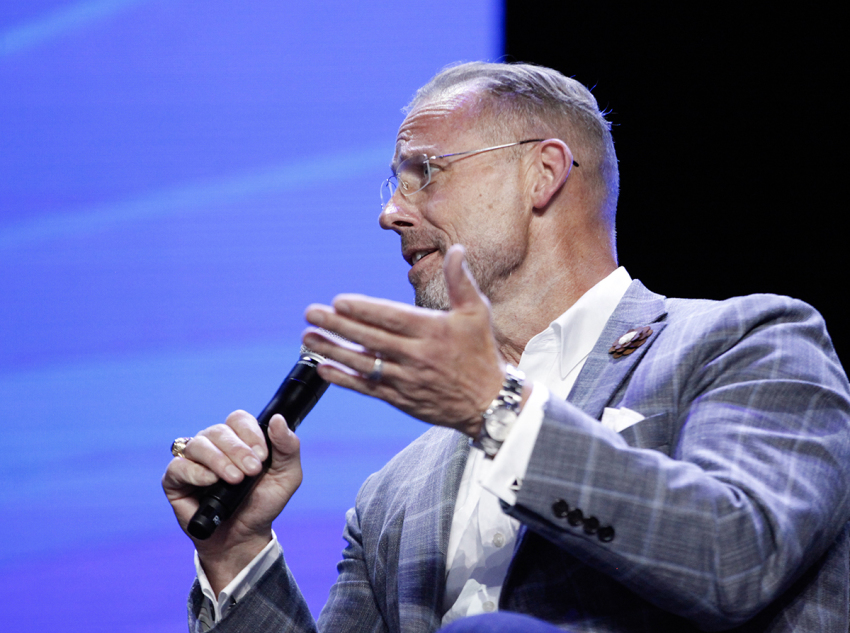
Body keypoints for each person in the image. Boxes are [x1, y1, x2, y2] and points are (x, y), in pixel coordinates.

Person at [162, 62, 850, 632]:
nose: (390, 212)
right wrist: (237, 551)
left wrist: (496, 409)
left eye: (424, 171)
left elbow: (737, 556)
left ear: (543, 173)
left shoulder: (747, 342)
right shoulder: (393, 493)